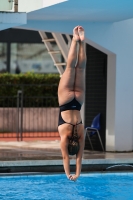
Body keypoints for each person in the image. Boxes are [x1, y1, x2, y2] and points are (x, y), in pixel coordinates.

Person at [58, 26, 86, 181]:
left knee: (80, 69)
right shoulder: (65, 136)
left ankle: (82, 41)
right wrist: (68, 174)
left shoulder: (80, 134)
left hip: (78, 100)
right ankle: (75, 40)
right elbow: (65, 158)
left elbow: (79, 159)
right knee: (70, 68)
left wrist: (77, 174)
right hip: (66, 101)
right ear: (69, 146)